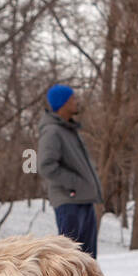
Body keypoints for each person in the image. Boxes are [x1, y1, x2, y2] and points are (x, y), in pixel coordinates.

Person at [38, 84, 103, 258]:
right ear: (63, 103)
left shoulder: (69, 129)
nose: (76, 101)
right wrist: (75, 185)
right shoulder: (52, 131)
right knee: (72, 261)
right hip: (69, 203)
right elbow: (46, 166)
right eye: (72, 98)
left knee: (88, 261)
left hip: (83, 199)